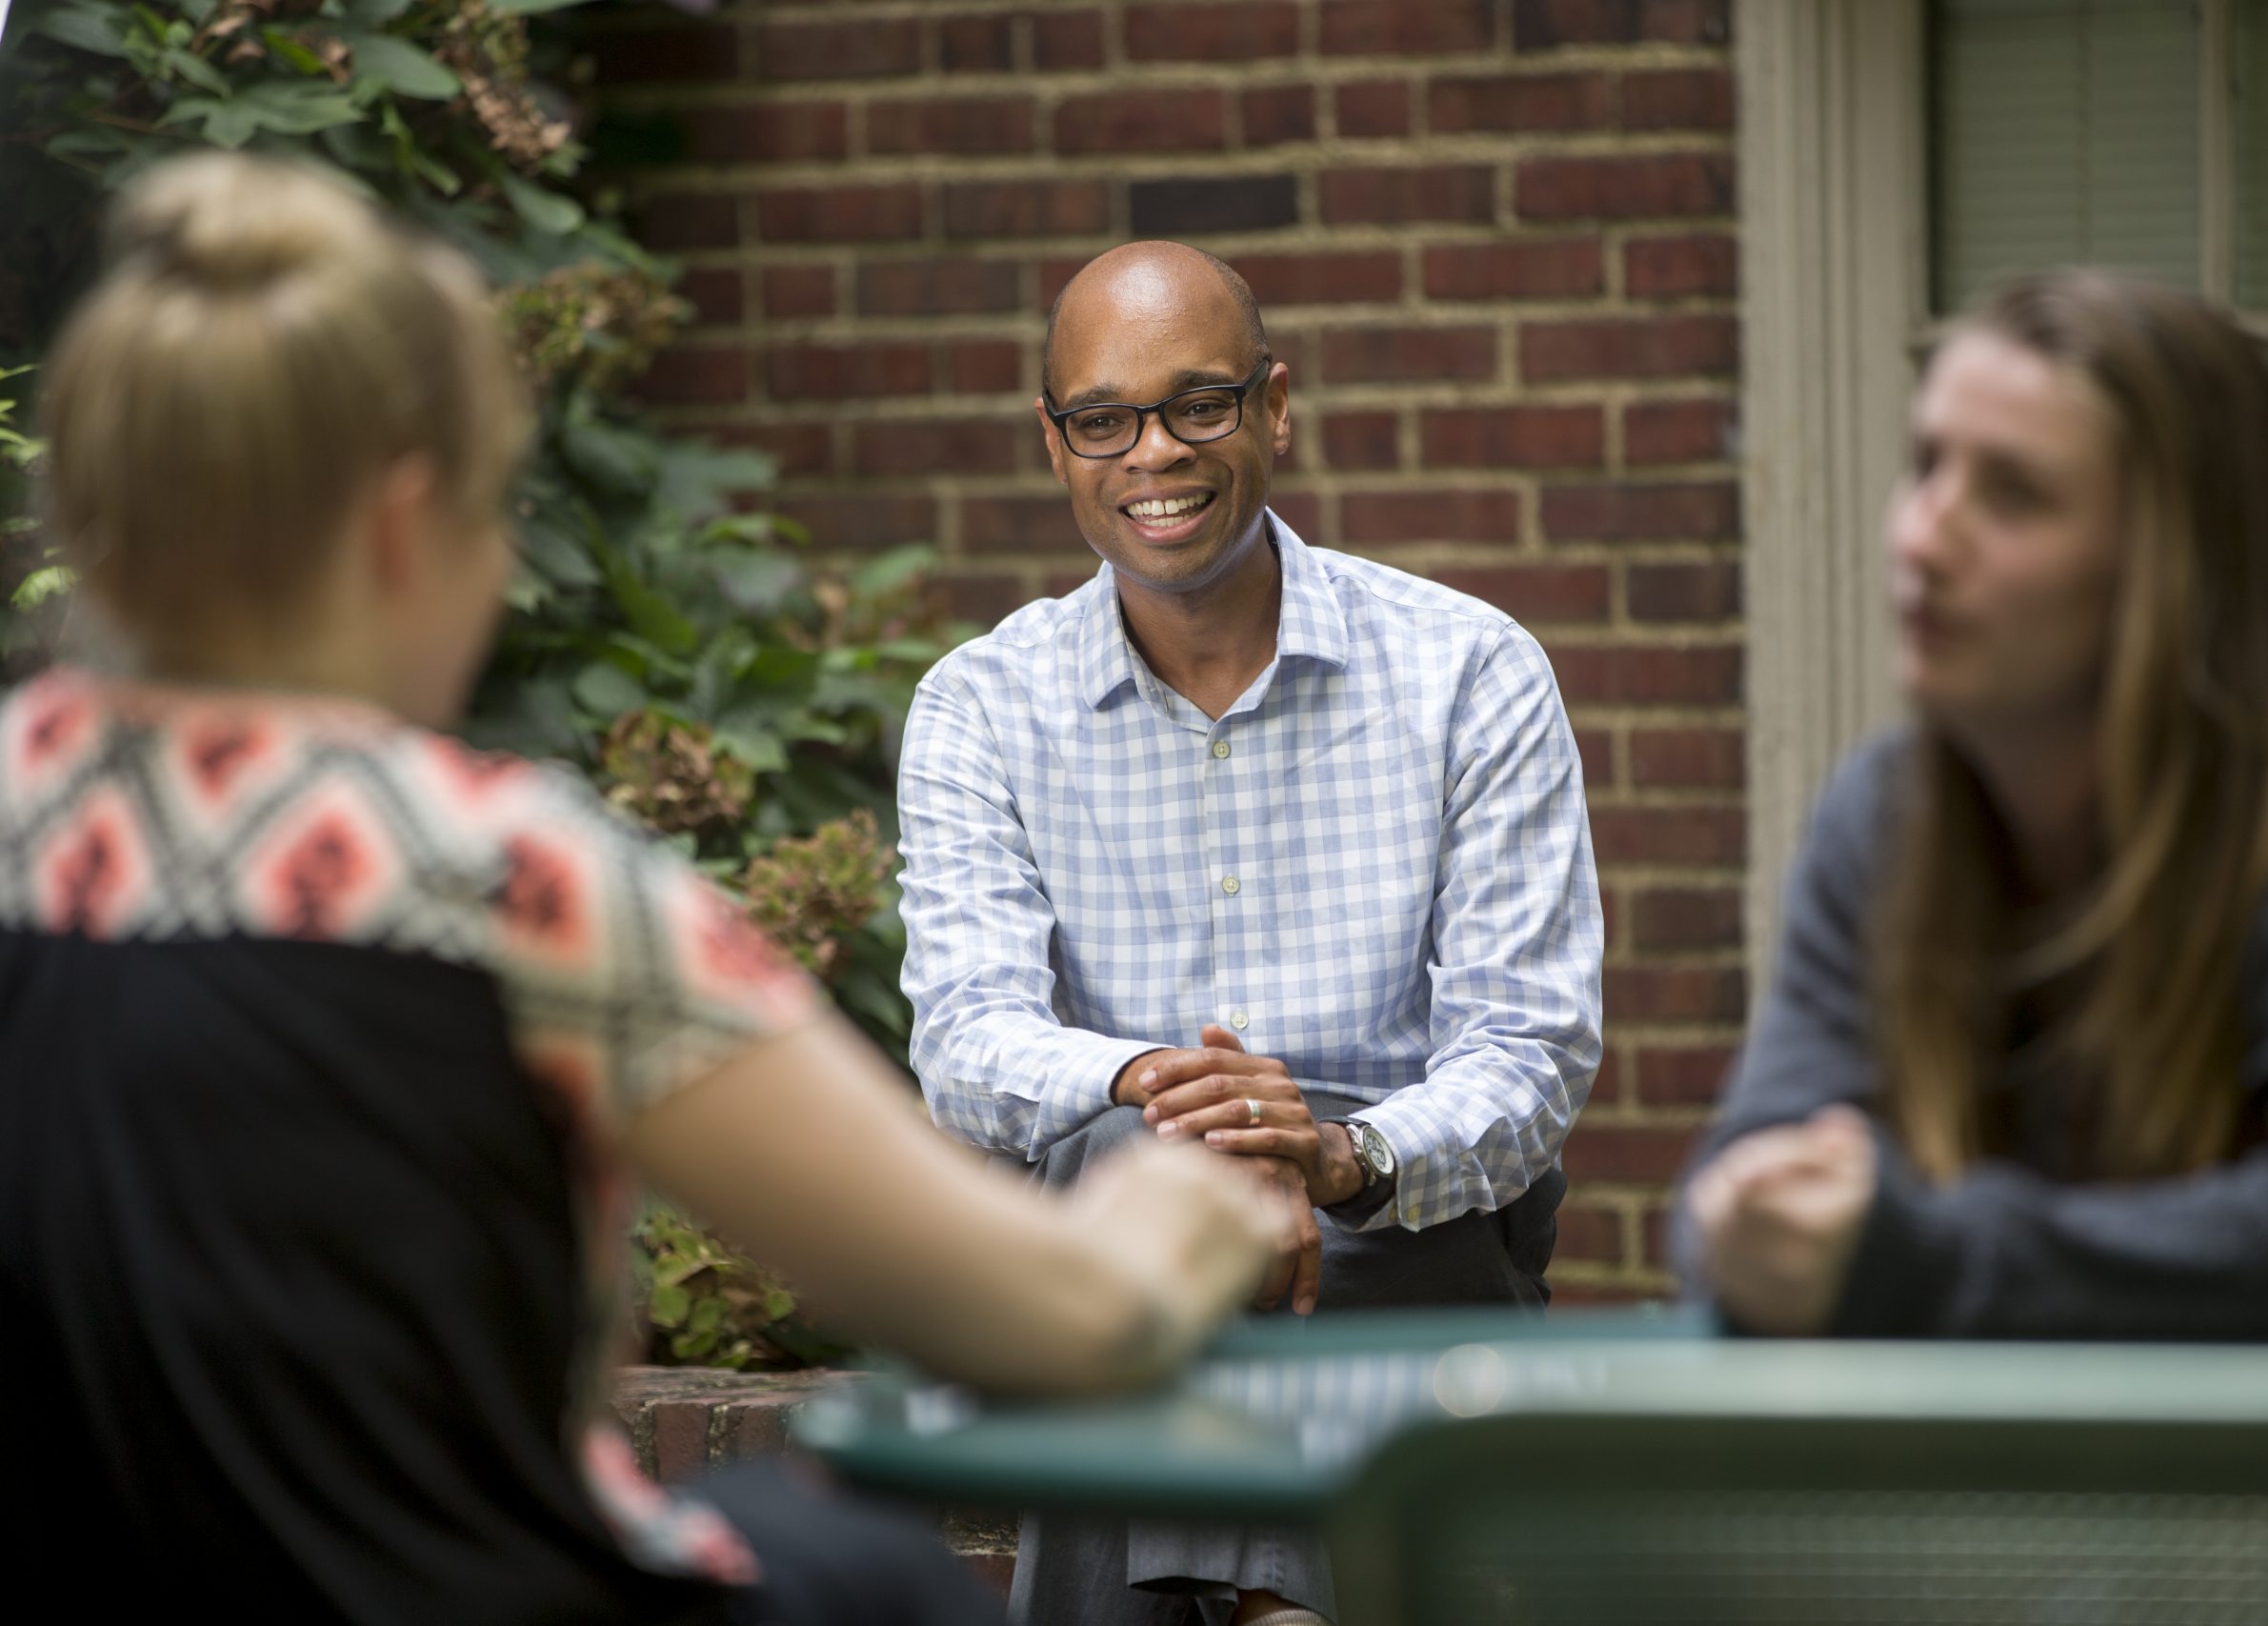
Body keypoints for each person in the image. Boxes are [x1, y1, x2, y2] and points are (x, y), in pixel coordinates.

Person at [0, 152, 1289, 1620]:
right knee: (874, 1572)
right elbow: (1050, 1315)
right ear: (402, 524)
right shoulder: (509, 876)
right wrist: (1192, 1207)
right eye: (499, 514)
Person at [895, 241, 1604, 1625]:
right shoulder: (981, 704)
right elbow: (968, 1045)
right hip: (1116, 1240)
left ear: (1275, 406)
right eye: (1104, 418)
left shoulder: (1469, 669)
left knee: (1175, 1250)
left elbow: (1530, 1051)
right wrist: (1172, 1103)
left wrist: (1336, 1155)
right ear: (1057, 443)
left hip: (1402, 1225)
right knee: (1133, 1167)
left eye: (1198, 404)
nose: (1152, 451)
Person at [1677, 270, 2268, 1340]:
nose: (1920, 539)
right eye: (1926, 468)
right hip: (1958, 1502)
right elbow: (1738, 1189)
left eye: (2012, 495)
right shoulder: (1882, 818)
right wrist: (1754, 1226)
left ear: (2169, 571)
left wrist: (1934, 1260)